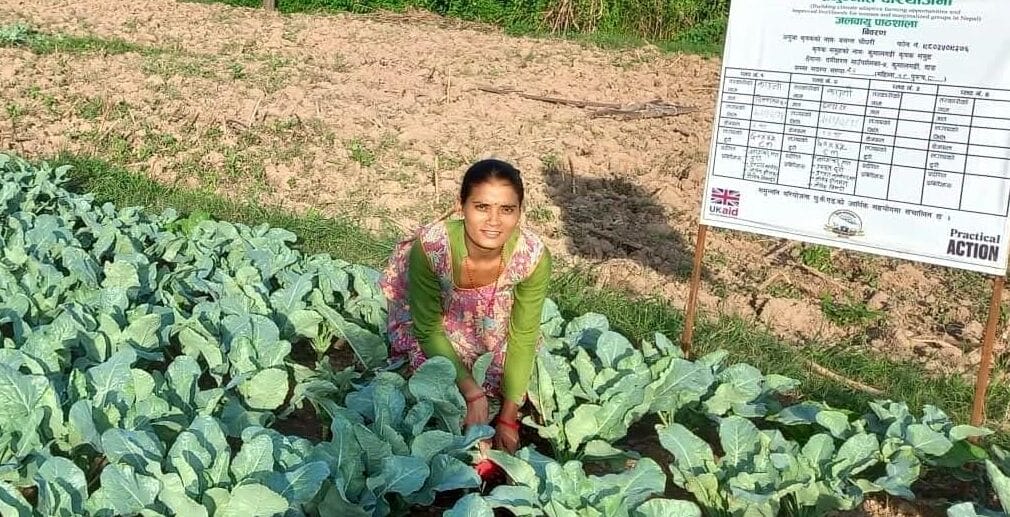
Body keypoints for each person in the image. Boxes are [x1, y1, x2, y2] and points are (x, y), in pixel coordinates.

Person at [379, 158, 552, 454]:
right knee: (439, 397)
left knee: (519, 387)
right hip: (440, 333)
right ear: (462, 206)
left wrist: (509, 418)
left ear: (520, 213)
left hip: (493, 330)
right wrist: (474, 395)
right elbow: (428, 329)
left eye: (506, 209)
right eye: (482, 207)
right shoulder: (433, 248)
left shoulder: (532, 257)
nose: (494, 221)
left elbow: (523, 335)